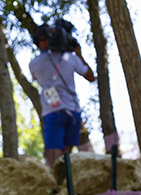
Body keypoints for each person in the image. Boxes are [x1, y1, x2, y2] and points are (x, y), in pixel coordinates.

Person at [28, 22, 96, 168]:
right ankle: (67, 185)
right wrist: (79, 54)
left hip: (53, 111)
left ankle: (59, 187)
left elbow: (37, 78)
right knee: (66, 155)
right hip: (73, 111)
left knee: (54, 159)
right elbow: (91, 77)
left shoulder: (34, 64)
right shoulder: (69, 58)